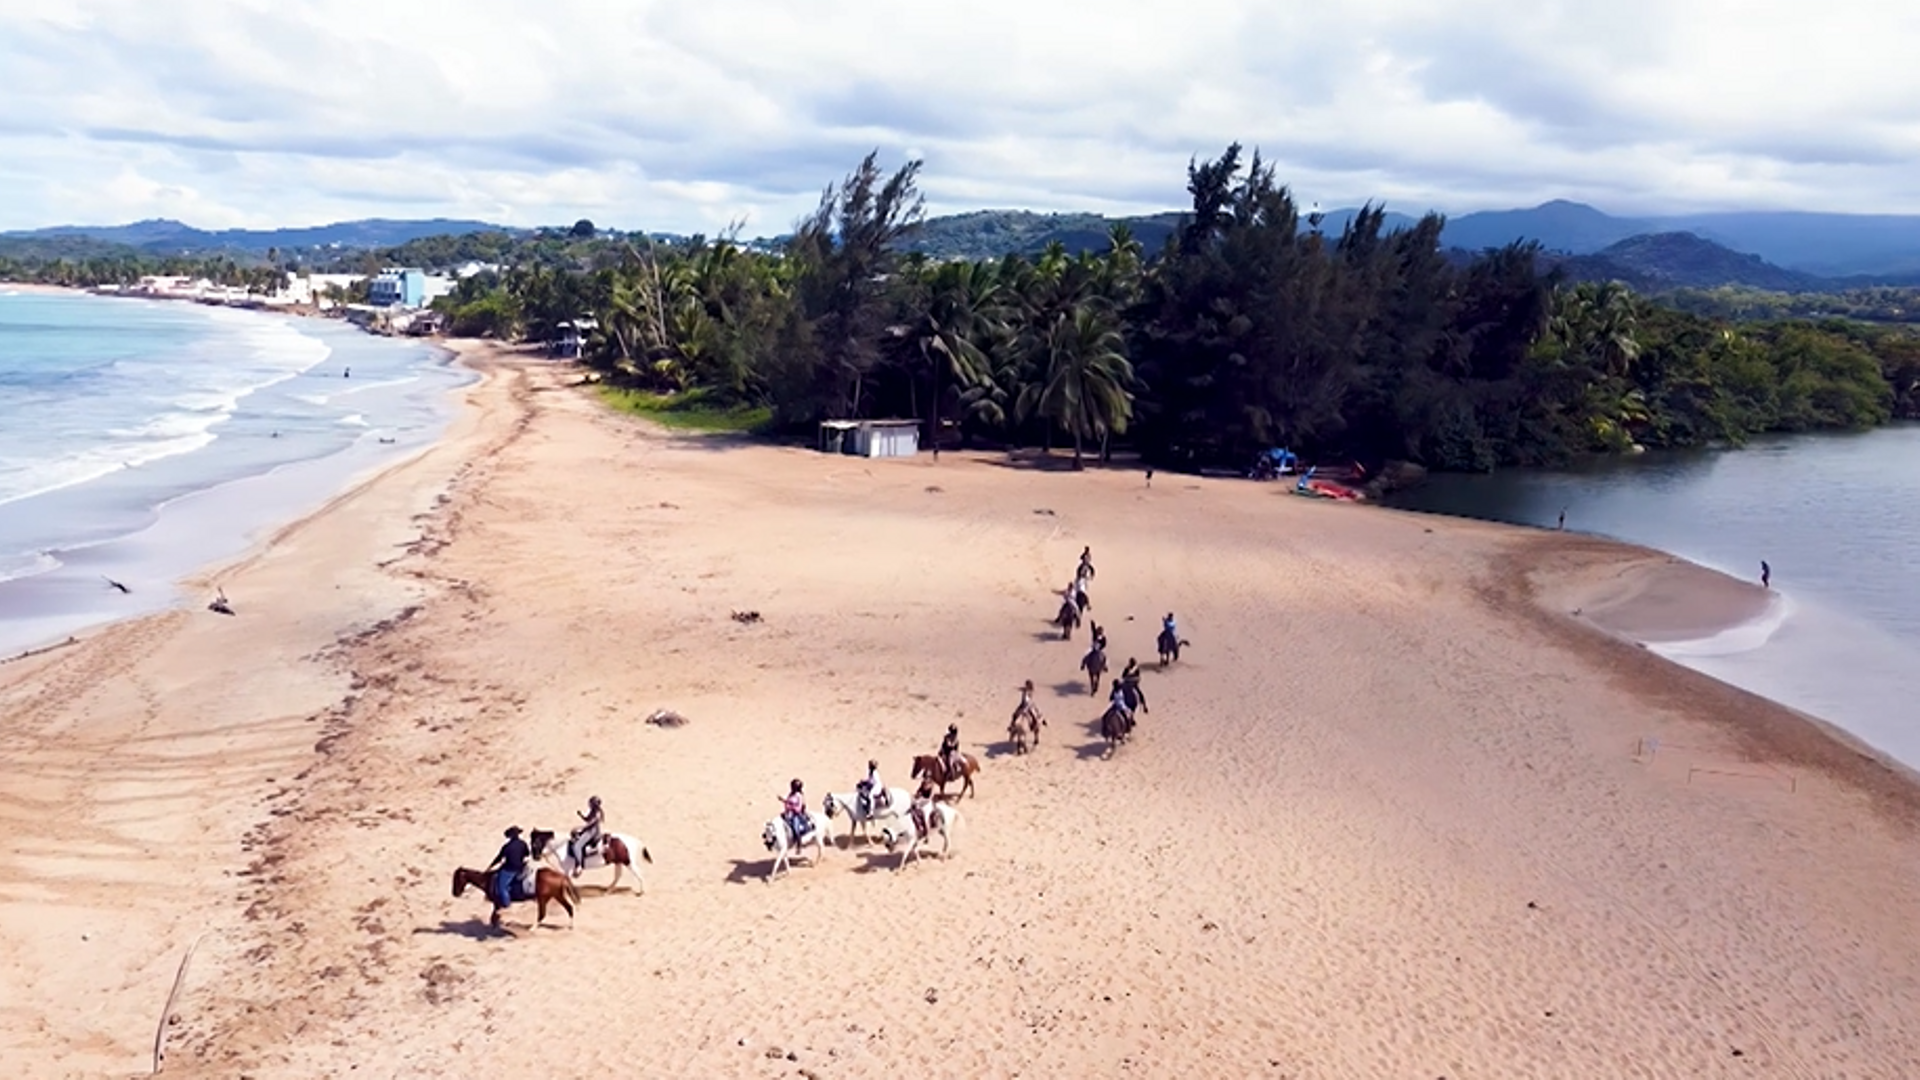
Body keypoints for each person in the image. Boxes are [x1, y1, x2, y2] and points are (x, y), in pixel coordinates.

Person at [485, 826, 530, 926]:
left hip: (510, 869)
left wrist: (491, 866)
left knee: (502, 887)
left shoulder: (507, 846)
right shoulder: (523, 843)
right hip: (521, 867)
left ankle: (506, 906)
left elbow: (499, 858)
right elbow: (527, 854)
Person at [570, 796, 604, 874]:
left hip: (592, 832)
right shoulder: (593, 811)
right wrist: (581, 815)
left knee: (577, 846)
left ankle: (579, 865)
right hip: (590, 830)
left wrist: (579, 828)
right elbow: (587, 819)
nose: (589, 804)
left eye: (590, 803)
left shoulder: (597, 813)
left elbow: (590, 823)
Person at [781, 779, 808, 843]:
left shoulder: (799, 796)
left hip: (797, 815)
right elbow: (788, 802)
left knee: (796, 828)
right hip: (788, 813)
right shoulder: (790, 794)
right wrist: (784, 801)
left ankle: (798, 843)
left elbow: (799, 808)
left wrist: (790, 806)